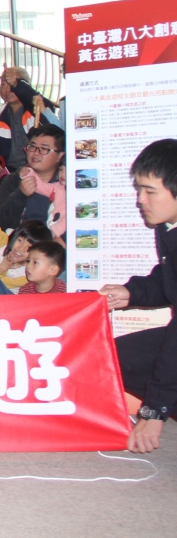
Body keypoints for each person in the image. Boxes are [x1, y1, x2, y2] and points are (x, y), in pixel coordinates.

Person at [100, 139, 177, 453]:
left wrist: (155, 410)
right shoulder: (168, 225)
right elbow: (168, 280)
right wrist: (130, 293)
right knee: (114, 358)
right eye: (138, 190)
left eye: (149, 191)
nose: (140, 200)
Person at [0, 125, 66, 235]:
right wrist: (20, 194)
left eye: (44, 149)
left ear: (60, 156)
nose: (36, 152)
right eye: (32, 146)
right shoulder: (14, 179)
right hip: (17, 240)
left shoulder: (65, 184)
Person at [0, 66, 39, 175]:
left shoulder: (37, 111)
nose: (8, 90)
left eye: (12, 84)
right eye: (4, 84)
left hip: (37, 171)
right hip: (7, 173)